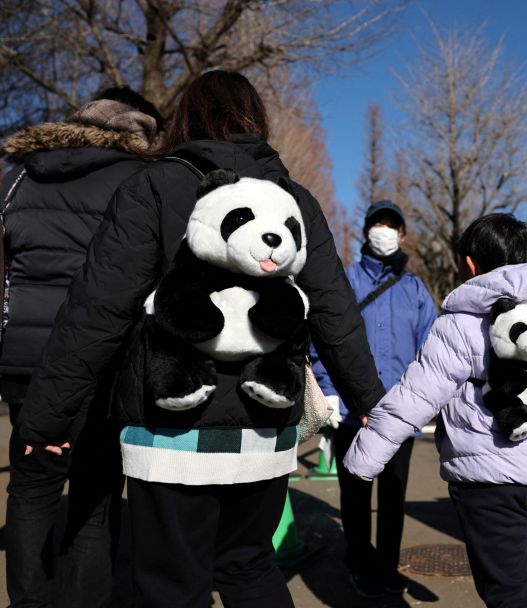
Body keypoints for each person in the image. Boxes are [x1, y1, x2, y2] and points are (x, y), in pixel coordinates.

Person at [15, 70, 385, 608]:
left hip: (169, 434)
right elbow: (334, 308)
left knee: (171, 583)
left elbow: (97, 312)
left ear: (187, 117)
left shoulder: (155, 186)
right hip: (264, 432)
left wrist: (45, 419)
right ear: (255, 120)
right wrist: (369, 399)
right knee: (249, 567)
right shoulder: (292, 198)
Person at [343, 213, 527, 608]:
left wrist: (363, 456)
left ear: (470, 264)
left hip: (488, 479)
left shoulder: (460, 326)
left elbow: (416, 395)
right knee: (517, 579)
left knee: (508, 593)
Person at [1, 86, 163, 608]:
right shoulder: (138, 182)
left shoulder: (18, 177)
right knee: (92, 498)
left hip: (21, 360)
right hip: (99, 361)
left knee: (31, 484)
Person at [312, 199, 436, 598]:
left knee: (394, 495)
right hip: (352, 412)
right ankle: (359, 563)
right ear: (366, 231)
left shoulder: (415, 289)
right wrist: (328, 389)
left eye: (391, 224)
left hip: (400, 415)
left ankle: (386, 566)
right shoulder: (344, 281)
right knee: (355, 496)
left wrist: (426, 403)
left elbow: (432, 351)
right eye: (377, 223)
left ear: (401, 234)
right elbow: (324, 338)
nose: (383, 230)